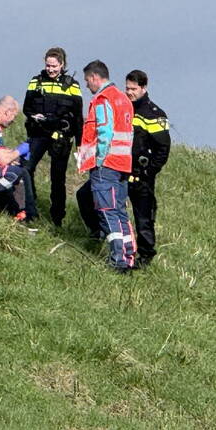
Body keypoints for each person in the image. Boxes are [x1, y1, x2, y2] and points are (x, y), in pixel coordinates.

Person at [75, 60, 137, 272]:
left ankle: (118, 260)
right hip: (123, 164)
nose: (87, 86)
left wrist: (99, 160)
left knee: (107, 210)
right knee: (120, 212)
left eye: (87, 81)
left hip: (107, 164)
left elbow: (105, 132)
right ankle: (129, 255)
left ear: (94, 77)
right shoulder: (124, 99)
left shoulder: (102, 99)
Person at [22, 47, 83, 227]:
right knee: (26, 167)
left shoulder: (72, 85)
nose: (50, 69)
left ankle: (57, 218)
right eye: (48, 65)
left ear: (62, 64)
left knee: (58, 178)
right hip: (38, 134)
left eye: (54, 66)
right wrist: (35, 116)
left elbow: (78, 116)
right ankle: (29, 208)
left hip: (60, 137)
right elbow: (26, 108)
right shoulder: (36, 81)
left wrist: (80, 143)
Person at [124, 70, 171, 267]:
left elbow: (163, 149)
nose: (129, 92)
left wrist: (148, 172)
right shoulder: (122, 108)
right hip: (120, 170)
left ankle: (145, 257)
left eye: (133, 89)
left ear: (144, 88)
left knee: (144, 217)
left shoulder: (154, 114)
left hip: (142, 175)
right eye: (127, 88)